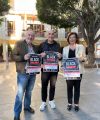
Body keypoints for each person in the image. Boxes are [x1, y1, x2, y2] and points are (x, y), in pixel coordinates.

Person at [13, 29, 38, 120]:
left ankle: (27, 107)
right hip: (23, 73)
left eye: (32, 35)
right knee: (20, 94)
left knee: (29, 92)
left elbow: (37, 58)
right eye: (29, 35)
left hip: (33, 73)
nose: (30, 37)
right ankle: (16, 114)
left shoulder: (35, 47)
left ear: (34, 37)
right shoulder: (19, 43)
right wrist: (23, 57)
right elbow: (13, 56)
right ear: (25, 35)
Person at [62, 32, 86, 112]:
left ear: (76, 39)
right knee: (69, 88)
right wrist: (63, 66)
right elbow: (63, 60)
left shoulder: (81, 46)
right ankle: (69, 103)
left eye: (73, 37)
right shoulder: (65, 49)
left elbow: (84, 58)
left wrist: (81, 59)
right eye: (70, 37)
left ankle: (76, 104)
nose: (72, 39)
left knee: (77, 88)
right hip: (68, 72)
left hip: (78, 71)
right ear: (68, 39)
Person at [38, 30, 62, 111]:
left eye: (52, 34)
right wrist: (41, 57)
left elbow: (60, 57)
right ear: (46, 35)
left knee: (53, 85)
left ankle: (51, 100)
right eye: (49, 34)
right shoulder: (42, 45)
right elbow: (38, 56)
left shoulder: (58, 45)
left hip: (54, 70)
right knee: (44, 86)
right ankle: (43, 102)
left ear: (54, 35)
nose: (51, 35)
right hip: (45, 69)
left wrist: (60, 56)